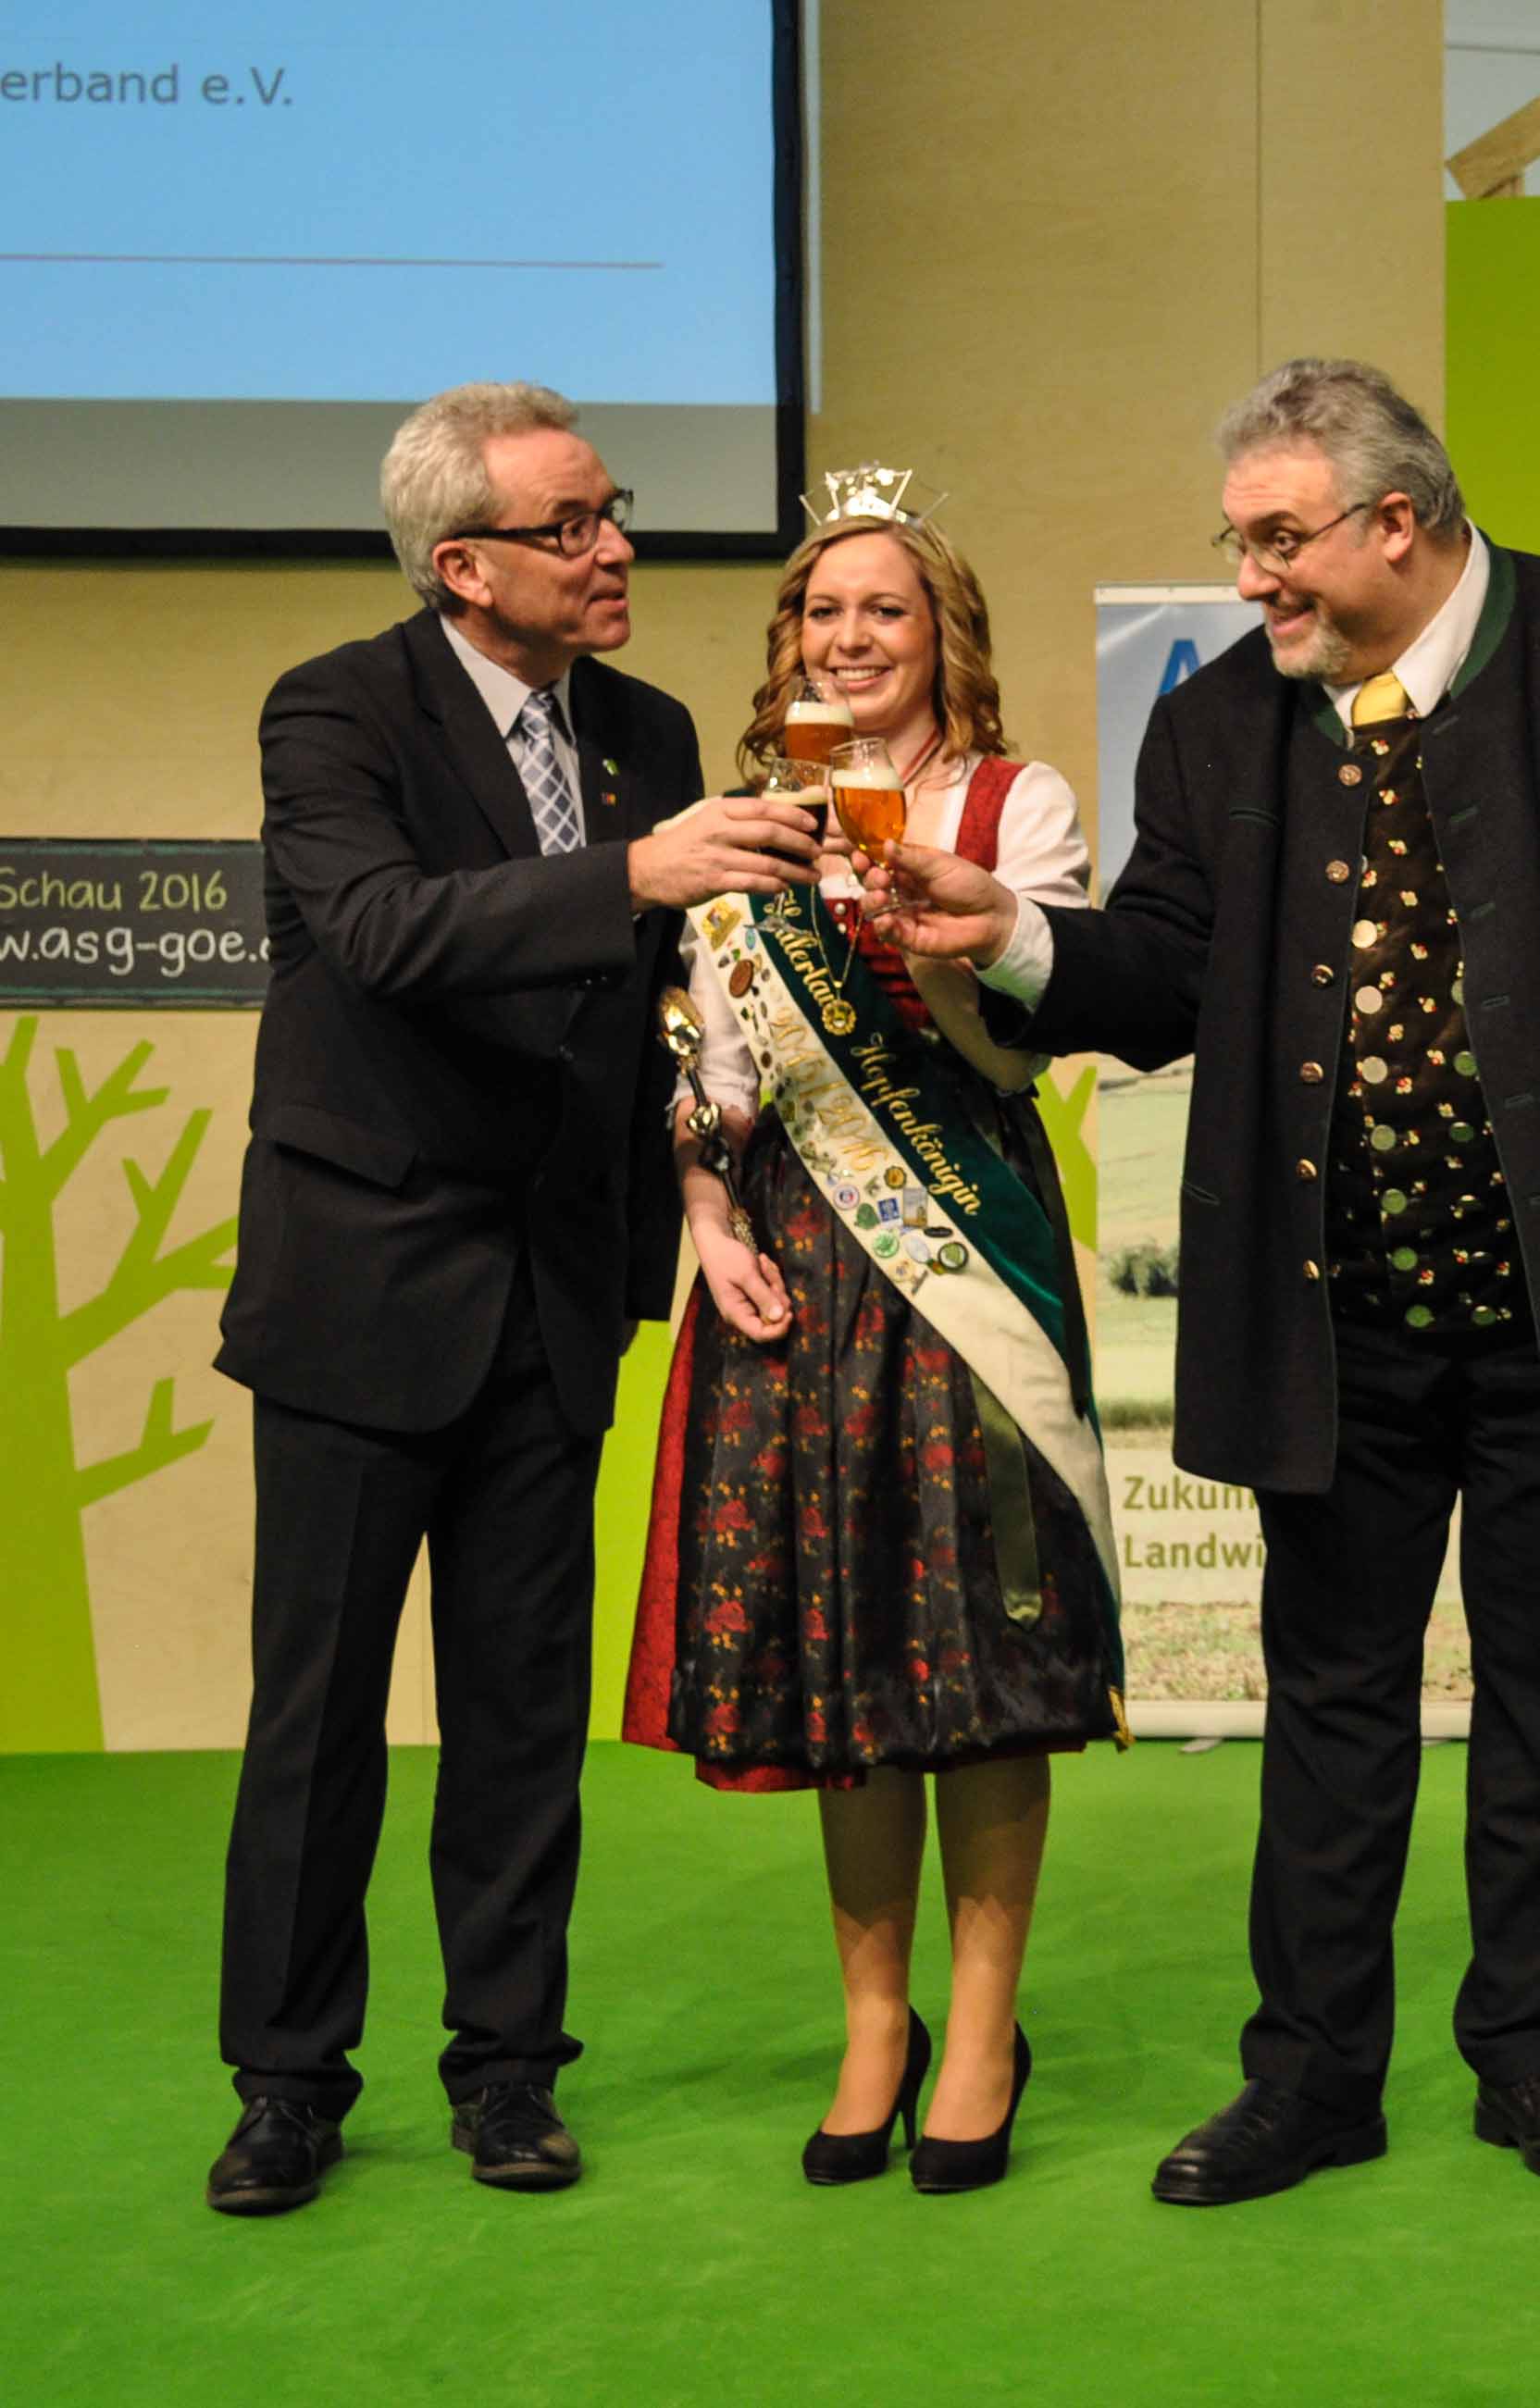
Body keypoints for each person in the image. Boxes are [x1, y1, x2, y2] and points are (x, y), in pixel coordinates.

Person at [871, 359, 1540, 2207]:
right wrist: (1011, 932)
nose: (1252, 578)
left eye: (1279, 540)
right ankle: (1316, 2074)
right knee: (1332, 1700)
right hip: (1331, 1312)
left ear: (1396, 523)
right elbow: (1163, 969)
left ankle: (1537, 2055)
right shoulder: (1217, 724)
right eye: (1240, 541)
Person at [207, 382, 821, 2214]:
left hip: (553, 1297)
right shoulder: (337, 708)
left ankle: (507, 2070)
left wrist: (697, 1196)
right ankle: (288, 2082)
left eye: (613, 508)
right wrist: (633, 871)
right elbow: (382, 930)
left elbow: (659, 1009)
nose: (615, 545)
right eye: (571, 525)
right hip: (360, 1289)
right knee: (317, 1717)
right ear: (462, 565)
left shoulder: (648, 727)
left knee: (521, 1716)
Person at [619, 479, 1123, 2195]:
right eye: (822, 612)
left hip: (966, 1253)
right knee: (844, 1648)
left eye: (884, 609)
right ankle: (874, 2025)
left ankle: (981, 2030)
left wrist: (927, 918)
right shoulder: (741, 825)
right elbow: (713, 1067)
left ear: (943, 635)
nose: (850, 637)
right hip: (796, 1263)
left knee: (982, 1653)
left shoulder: (1012, 801)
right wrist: (706, 1214)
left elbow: (1017, 1043)